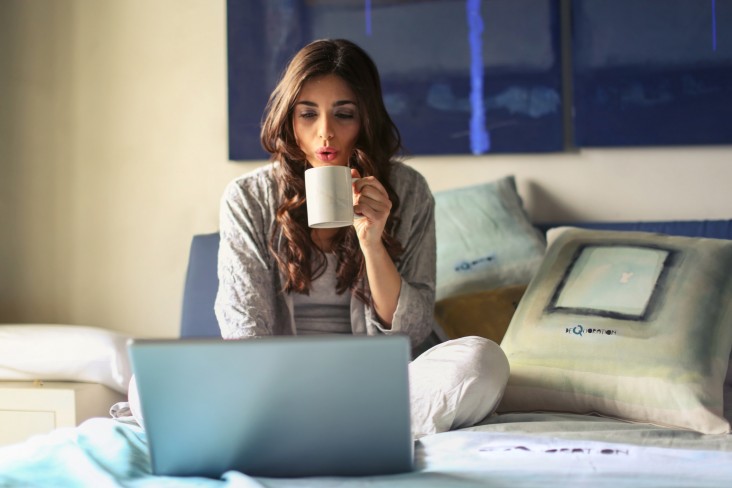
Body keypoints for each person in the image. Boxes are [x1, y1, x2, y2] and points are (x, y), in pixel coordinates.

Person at [213, 38, 508, 439]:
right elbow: (244, 329)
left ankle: (312, 429)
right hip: (280, 385)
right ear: (289, 119)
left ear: (365, 119)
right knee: (145, 387)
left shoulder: (409, 190)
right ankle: (345, 427)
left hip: (381, 385)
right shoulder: (248, 198)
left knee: (482, 361)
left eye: (344, 114)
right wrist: (272, 387)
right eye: (308, 114)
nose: (326, 133)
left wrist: (372, 242)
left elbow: (412, 330)